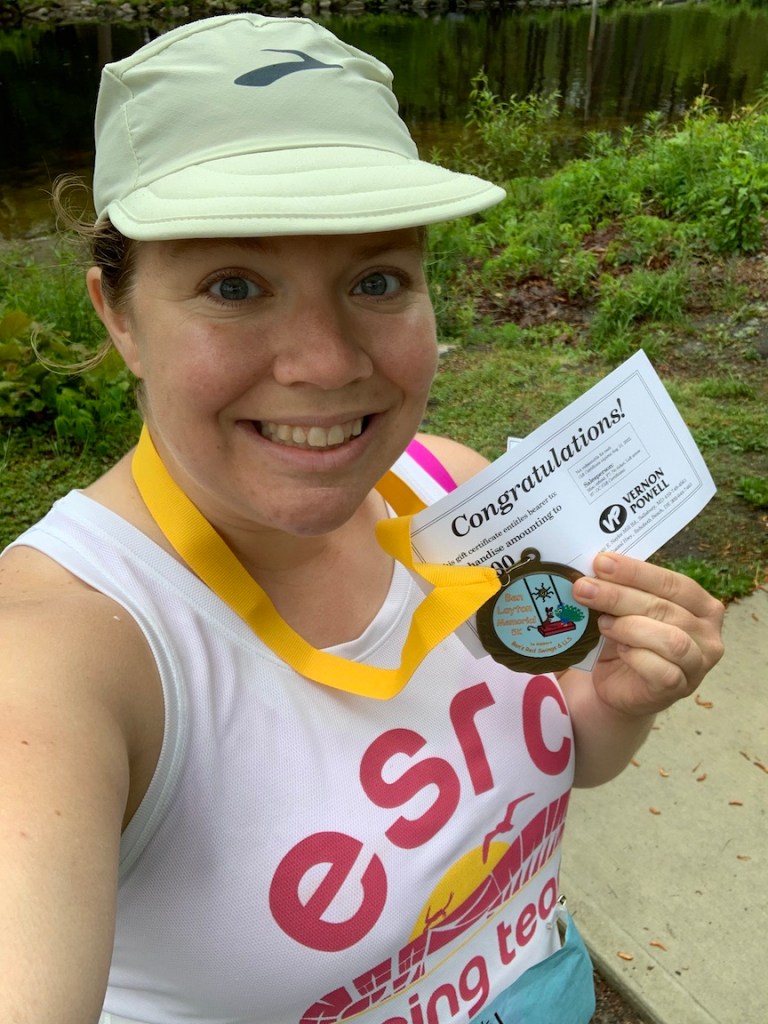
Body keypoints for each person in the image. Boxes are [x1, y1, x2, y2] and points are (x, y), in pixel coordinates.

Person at [0, 13, 724, 1024]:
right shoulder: (64, 654)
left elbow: (567, 748)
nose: (328, 361)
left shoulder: (448, 489)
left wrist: (625, 698)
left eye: (377, 279)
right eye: (234, 284)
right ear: (117, 314)